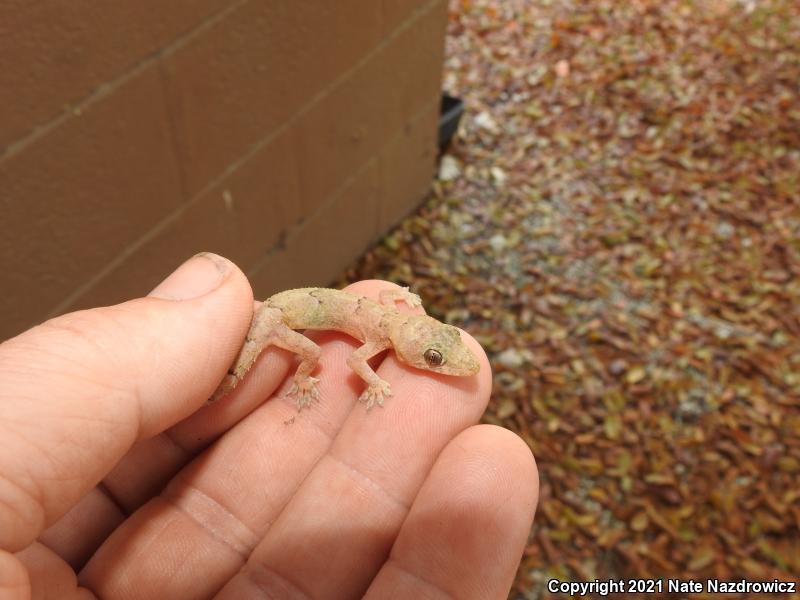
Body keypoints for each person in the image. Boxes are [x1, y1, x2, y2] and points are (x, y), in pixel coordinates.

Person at [0, 253, 539, 599]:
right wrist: (368, 382)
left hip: (284, 307)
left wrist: (405, 305)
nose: (443, 364)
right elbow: (353, 363)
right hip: (279, 321)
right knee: (307, 361)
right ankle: (284, 378)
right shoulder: (381, 338)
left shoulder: (395, 319)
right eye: (436, 361)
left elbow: (390, 301)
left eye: (435, 356)